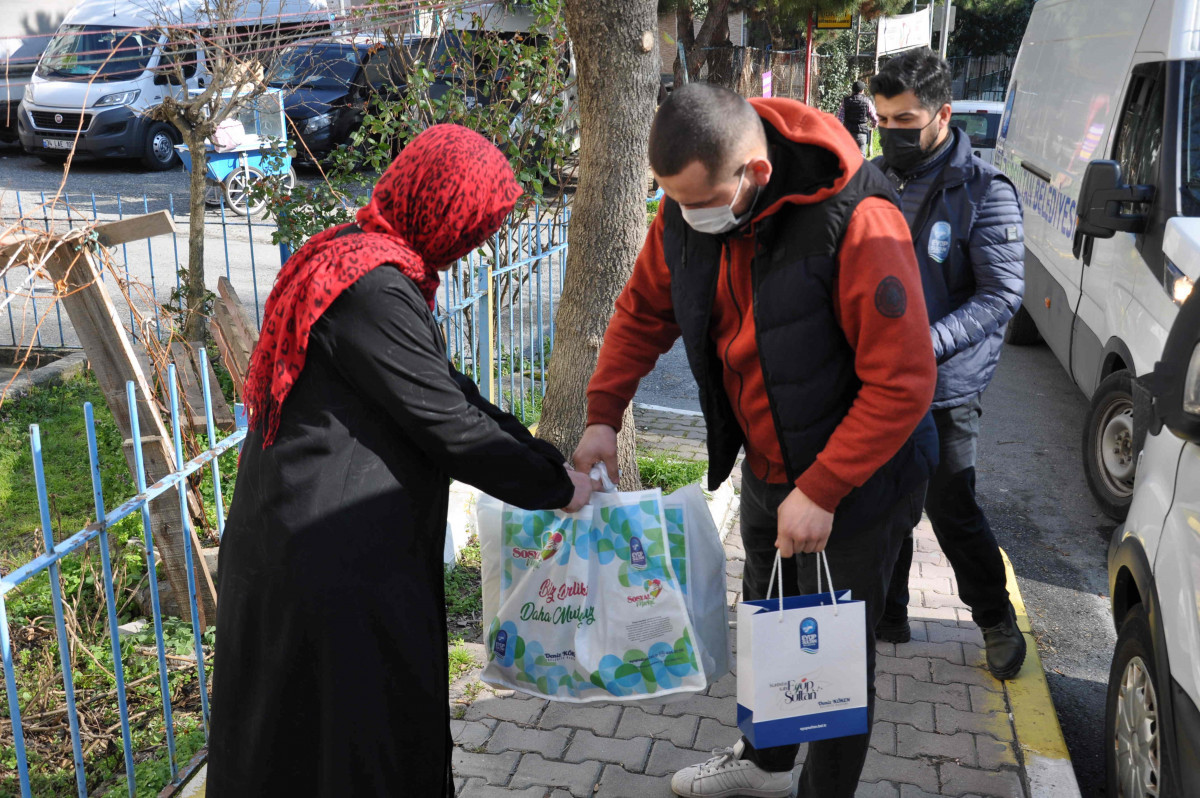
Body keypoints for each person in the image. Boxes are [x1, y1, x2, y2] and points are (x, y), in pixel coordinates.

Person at [572, 82, 939, 798]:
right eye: (671, 200)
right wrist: (601, 415)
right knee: (775, 625)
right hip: (771, 468)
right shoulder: (689, 209)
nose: (682, 217)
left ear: (755, 175)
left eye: (698, 202)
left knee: (831, 665)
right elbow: (644, 310)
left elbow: (902, 381)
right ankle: (765, 765)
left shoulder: (856, 217)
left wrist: (824, 487)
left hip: (862, 477)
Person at [205, 124, 591, 797]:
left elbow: (446, 391)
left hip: (310, 534)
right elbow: (448, 424)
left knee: (307, 740)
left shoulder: (364, 261)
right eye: (475, 225)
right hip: (333, 559)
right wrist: (557, 485)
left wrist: (545, 457)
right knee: (349, 744)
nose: (477, 242)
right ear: (442, 207)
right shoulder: (373, 287)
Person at [870, 49, 1027, 680]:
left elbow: (1000, 294)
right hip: (878, 380)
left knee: (951, 504)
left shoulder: (984, 191)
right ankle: (889, 614)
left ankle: (994, 619)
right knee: (885, 501)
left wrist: (924, 343)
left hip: (945, 384)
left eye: (905, 118)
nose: (891, 131)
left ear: (943, 114)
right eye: (882, 118)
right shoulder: (873, 178)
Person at [837, 80, 877, 156]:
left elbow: (839, 118)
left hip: (848, 133)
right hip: (861, 133)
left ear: (853, 90)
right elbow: (875, 118)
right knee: (861, 159)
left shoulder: (846, 101)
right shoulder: (867, 101)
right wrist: (874, 125)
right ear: (862, 90)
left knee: (848, 157)